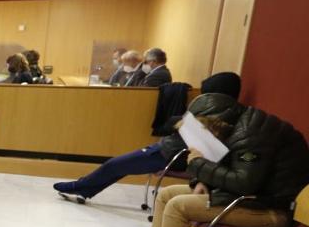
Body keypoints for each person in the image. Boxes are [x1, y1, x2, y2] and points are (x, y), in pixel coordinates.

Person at [113, 97, 309, 227]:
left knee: (179, 205)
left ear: (215, 121)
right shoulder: (236, 127)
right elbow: (229, 167)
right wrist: (201, 180)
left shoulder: (252, 136)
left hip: (271, 211)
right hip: (247, 199)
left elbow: (244, 183)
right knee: (168, 194)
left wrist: (198, 164)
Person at [53, 73, 243, 201]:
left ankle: (80, 187)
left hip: (172, 153)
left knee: (114, 164)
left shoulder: (216, 111)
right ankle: (84, 190)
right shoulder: (224, 109)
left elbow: (175, 123)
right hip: (172, 148)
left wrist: (183, 122)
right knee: (117, 166)